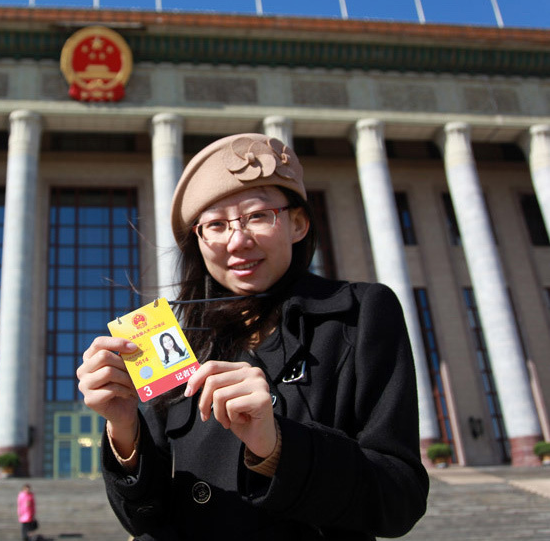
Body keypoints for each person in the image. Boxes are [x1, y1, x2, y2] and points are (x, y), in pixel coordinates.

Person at [77, 133, 429, 540]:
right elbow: (144, 520)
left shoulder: (358, 313)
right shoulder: (168, 335)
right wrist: (124, 428)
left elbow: (399, 497)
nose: (237, 240)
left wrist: (277, 447)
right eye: (216, 225)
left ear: (297, 223)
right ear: (199, 240)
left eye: (258, 216)